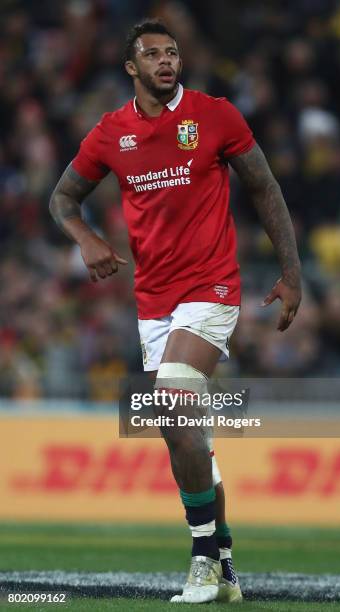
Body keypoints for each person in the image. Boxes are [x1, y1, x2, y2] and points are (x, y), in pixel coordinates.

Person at [49, 20, 301, 604]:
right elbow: (62, 197)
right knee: (183, 434)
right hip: (153, 301)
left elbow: (265, 188)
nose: (166, 61)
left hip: (212, 286)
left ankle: (203, 560)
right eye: (152, 55)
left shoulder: (216, 115)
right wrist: (85, 239)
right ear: (131, 69)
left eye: (172, 53)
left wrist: (292, 272)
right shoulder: (111, 133)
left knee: (174, 398)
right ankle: (228, 562)